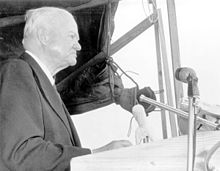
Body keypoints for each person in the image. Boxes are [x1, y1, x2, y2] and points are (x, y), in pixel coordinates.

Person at [0, 7, 132, 171]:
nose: (78, 47)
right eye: (72, 37)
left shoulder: (44, 84)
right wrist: (94, 155)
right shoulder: (18, 70)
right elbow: (19, 153)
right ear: (44, 36)